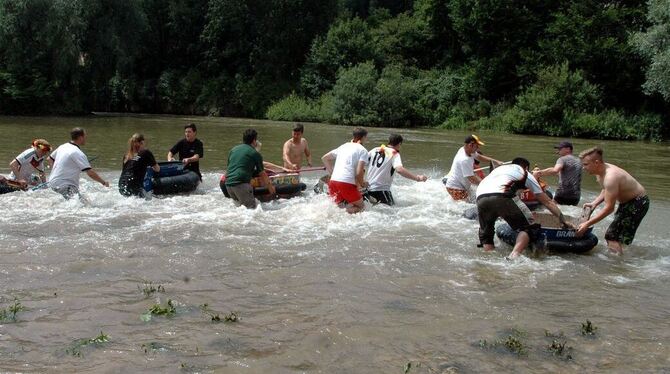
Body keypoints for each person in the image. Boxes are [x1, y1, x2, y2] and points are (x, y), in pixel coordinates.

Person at [476, 157, 572, 259]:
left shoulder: (499, 170)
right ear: (526, 168)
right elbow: (547, 202)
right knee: (529, 227)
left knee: (486, 231)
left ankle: (489, 257)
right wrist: (563, 221)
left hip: (480, 197)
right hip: (502, 195)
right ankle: (513, 257)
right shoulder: (525, 173)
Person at [576, 147, 649, 255]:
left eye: (586, 164)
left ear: (596, 162)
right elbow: (606, 189)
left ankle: (618, 265)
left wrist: (587, 224)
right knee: (618, 236)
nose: (583, 168)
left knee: (612, 236)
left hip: (637, 203)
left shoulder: (611, 177)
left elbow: (609, 208)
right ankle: (624, 256)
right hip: (628, 202)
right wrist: (595, 203)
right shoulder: (600, 171)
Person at [364, 134, 427, 205]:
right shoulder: (394, 153)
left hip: (368, 190)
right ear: (399, 144)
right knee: (392, 213)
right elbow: (399, 170)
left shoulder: (374, 150)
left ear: (389, 141)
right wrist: (417, 178)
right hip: (382, 190)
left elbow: (361, 164)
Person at [48, 128, 109, 198]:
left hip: (52, 182)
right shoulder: (77, 152)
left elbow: (50, 159)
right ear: (80, 137)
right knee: (83, 205)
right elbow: (90, 173)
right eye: (85, 136)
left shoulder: (63, 146)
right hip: (65, 185)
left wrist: (57, 172)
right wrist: (103, 182)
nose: (86, 138)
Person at [321, 127, 369, 214]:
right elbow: (359, 173)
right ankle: (346, 212)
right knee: (362, 207)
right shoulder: (363, 150)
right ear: (363, 138)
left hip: (333, 182)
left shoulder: (343, 146)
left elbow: (324, 158)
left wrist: (332, 173)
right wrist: (363, 184)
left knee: (339, 208)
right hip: (346, 183)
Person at [224, 129, 275, 209]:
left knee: (239, 209)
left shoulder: (233, 149)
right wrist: (271, 188)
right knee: (250, 210)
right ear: (254, 140)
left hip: (228, 185)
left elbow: (229, 169)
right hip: (240, 185)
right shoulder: (254, 153)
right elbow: (262, 174)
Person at [445, 135, 502, 202]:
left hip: (460, 184)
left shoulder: (464, 149)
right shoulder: (465, 160)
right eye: (477, 146)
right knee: (465, 206)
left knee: (471, 200)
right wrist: (486, 185)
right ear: (470, 145)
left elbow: (479, 157)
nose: (478, 148)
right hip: (455, 187)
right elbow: (471, 178)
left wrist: (496, 161)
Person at [532, 140, 582, 205]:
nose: (557, 152)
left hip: (563, 193)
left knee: (551, 208)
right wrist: (541, 171)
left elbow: (555, 170)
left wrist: (538, 173)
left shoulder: (562, 159)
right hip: (576, 195)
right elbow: (565, 174)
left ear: (568, 149)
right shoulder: (578, 161)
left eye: (560, 149)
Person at [118, 133, 160, 197]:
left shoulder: (126, 155)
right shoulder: (146, 152)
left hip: (121, 184)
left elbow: (126, 170)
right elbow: (157, 169)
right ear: (142, 142)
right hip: (133, 183)